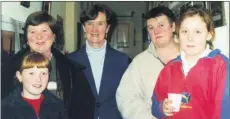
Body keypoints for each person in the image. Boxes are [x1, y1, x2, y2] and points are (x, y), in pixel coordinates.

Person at [1, 11, 95, 119]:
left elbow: (85, 108)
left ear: (54, 37)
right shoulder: (8, 69)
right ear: (26, 38)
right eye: (32, 32)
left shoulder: (72, 71)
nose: (39, 37)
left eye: (44, 31)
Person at [151, 6, 229, 119]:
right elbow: (154, 104)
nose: (190, 38)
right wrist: (161, 107)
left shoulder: (222, 66)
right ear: (178, 35)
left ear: (209, 34)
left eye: (197, 31)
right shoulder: (169, 68)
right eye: (184, 31)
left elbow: (225, 112)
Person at [116, 6, 180, 119]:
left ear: (173, 26)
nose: (156, 31)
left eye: (161, 25)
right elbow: (126, 98)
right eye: (151, 27)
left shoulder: (191, 56)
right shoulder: (139, 63)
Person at [68, 4, 130, 119]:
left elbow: (129, 98)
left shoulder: (122, 61)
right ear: (83, 27)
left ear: (107, 28)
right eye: (90, 23)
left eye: (100, 24)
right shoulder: (70, 60)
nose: (94, 29)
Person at [2, 52, 68, 119]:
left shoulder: (58, 107)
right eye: (31, 73)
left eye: (43, 73)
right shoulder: (5, 108)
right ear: (19, 76)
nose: (38, 79)